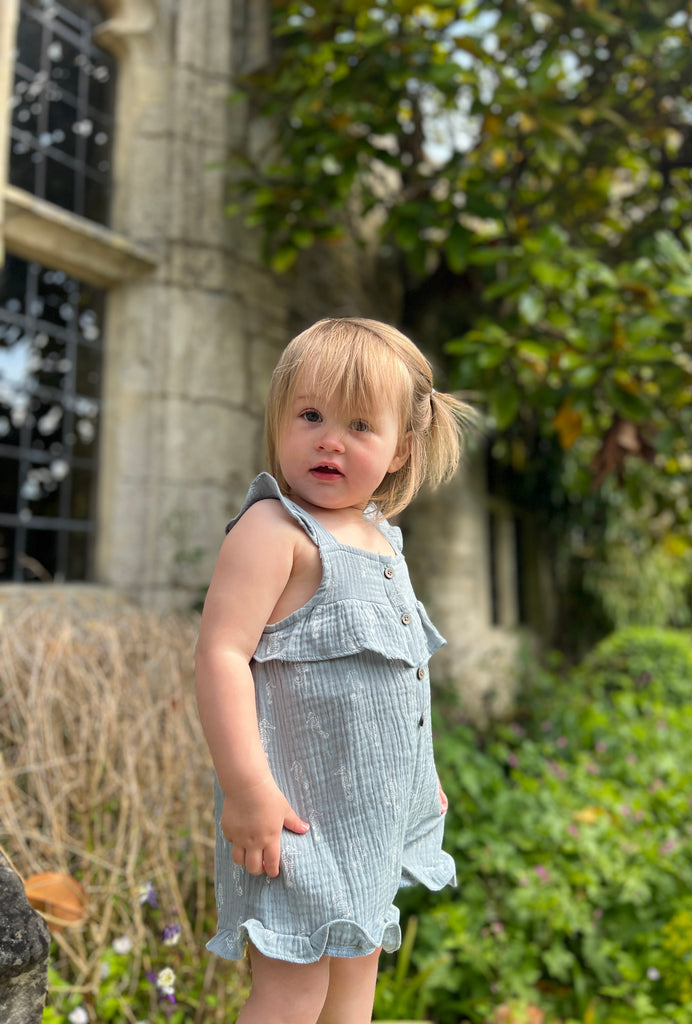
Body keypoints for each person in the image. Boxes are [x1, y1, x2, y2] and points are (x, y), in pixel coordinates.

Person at [195, 316, 474, 1024]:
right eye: (311, 415)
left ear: (401, 449)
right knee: (293, 994)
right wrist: (246, 788)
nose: (330, 438)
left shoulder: (383, 539)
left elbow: (401, 676)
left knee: (356, 985)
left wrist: (421, 771)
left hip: (371, 818)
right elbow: (222, 654)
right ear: (280, 418)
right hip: (292, 820)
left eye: (358, 425)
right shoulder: (275, 532)